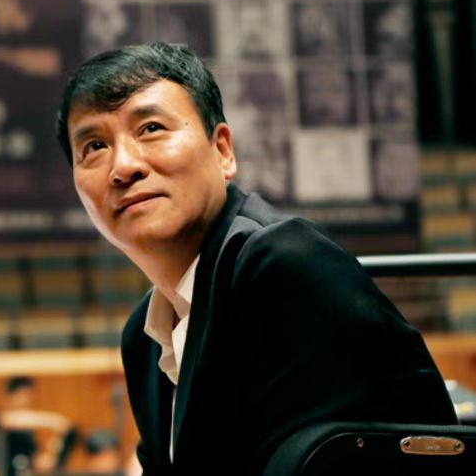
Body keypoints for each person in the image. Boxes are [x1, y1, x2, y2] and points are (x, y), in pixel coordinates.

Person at [54, 42, 456, 475]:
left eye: (151, 128)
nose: (123, 166)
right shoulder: (143, 337)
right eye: (93, 146)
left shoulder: (281, 264)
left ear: (223, 151)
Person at [0, 376, 72, 475]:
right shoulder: (0, 418)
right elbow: (11, 420)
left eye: (29, 396)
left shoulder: (28, 430)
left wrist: (46, 456)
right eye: (22, 395)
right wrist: (54, 420)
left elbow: (33, 455)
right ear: (10, 395)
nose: (26, 400)